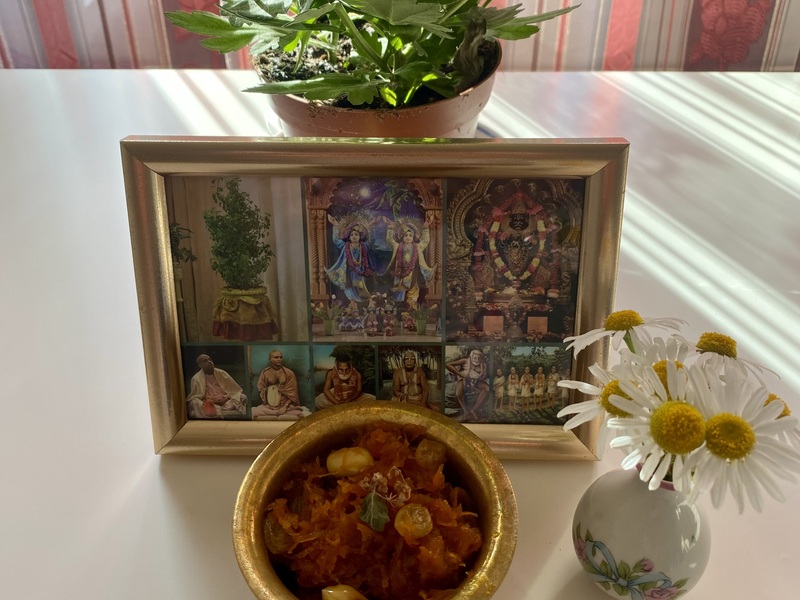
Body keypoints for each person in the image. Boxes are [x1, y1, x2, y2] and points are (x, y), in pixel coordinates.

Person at [383, 214, 436, 306]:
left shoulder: (418, 247)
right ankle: (397, 307)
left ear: (414, 237)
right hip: (400, 274)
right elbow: (389, 241)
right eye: (405, 235)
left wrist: (426, 227)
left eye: (410, 235)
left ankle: (411, 309)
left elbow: (425, 241)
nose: (408, 237)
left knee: (413, 295)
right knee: (398, 295)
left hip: (413, 273)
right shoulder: (397, 246)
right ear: (401, 237)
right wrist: (390, 228)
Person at [325, 216, 376, 302]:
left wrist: (371, 226)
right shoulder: (345, 246)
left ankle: (360, 302)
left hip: (360, 271)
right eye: (352, 235)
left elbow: (372, 241)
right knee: (349, 287)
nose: (354, 236)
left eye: (356, 234)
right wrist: (335, 225)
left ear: (360, 236)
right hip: (348, 271)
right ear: (349, 237)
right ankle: (352, 302)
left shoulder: (364, 246)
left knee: (360, 287)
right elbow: (336, 240)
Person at [252, 350, 311, 420]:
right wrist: (269, 390)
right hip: (270, 406)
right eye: (276, 357)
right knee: (254, 411)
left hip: (287, 405)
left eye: (280, 357)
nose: (279, 359)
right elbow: (261, 388)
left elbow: (293, 393)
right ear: (270, 359)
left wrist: (285, 407)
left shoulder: (289, 373)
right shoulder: (265, 373)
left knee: (300, 413)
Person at [186, 354, 247, 419]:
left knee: (243, 397)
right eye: (205, 361)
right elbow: (195, 395)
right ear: (200, 365)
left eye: (210, 359)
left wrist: (226, 398)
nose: (209, 361)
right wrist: (209, 401)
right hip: (209, 402)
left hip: (225, 401)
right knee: (194, 402)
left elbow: (234, 390)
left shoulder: (222, 373)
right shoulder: (196, 378)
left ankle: (215, 410)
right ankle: (216, 409)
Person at [446, 349, 489, 422]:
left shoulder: (483, 364)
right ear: (471, 357)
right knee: (458, 393)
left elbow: (484, 375)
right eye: (475, 358)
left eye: (479, 358)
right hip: (464, 378)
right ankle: (465, 411)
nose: (477, 360)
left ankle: (474, 410)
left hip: (476, 380)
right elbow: (448, 365)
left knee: (487, 388)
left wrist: (478, 378)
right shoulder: (465, 361)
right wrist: (461, 374)